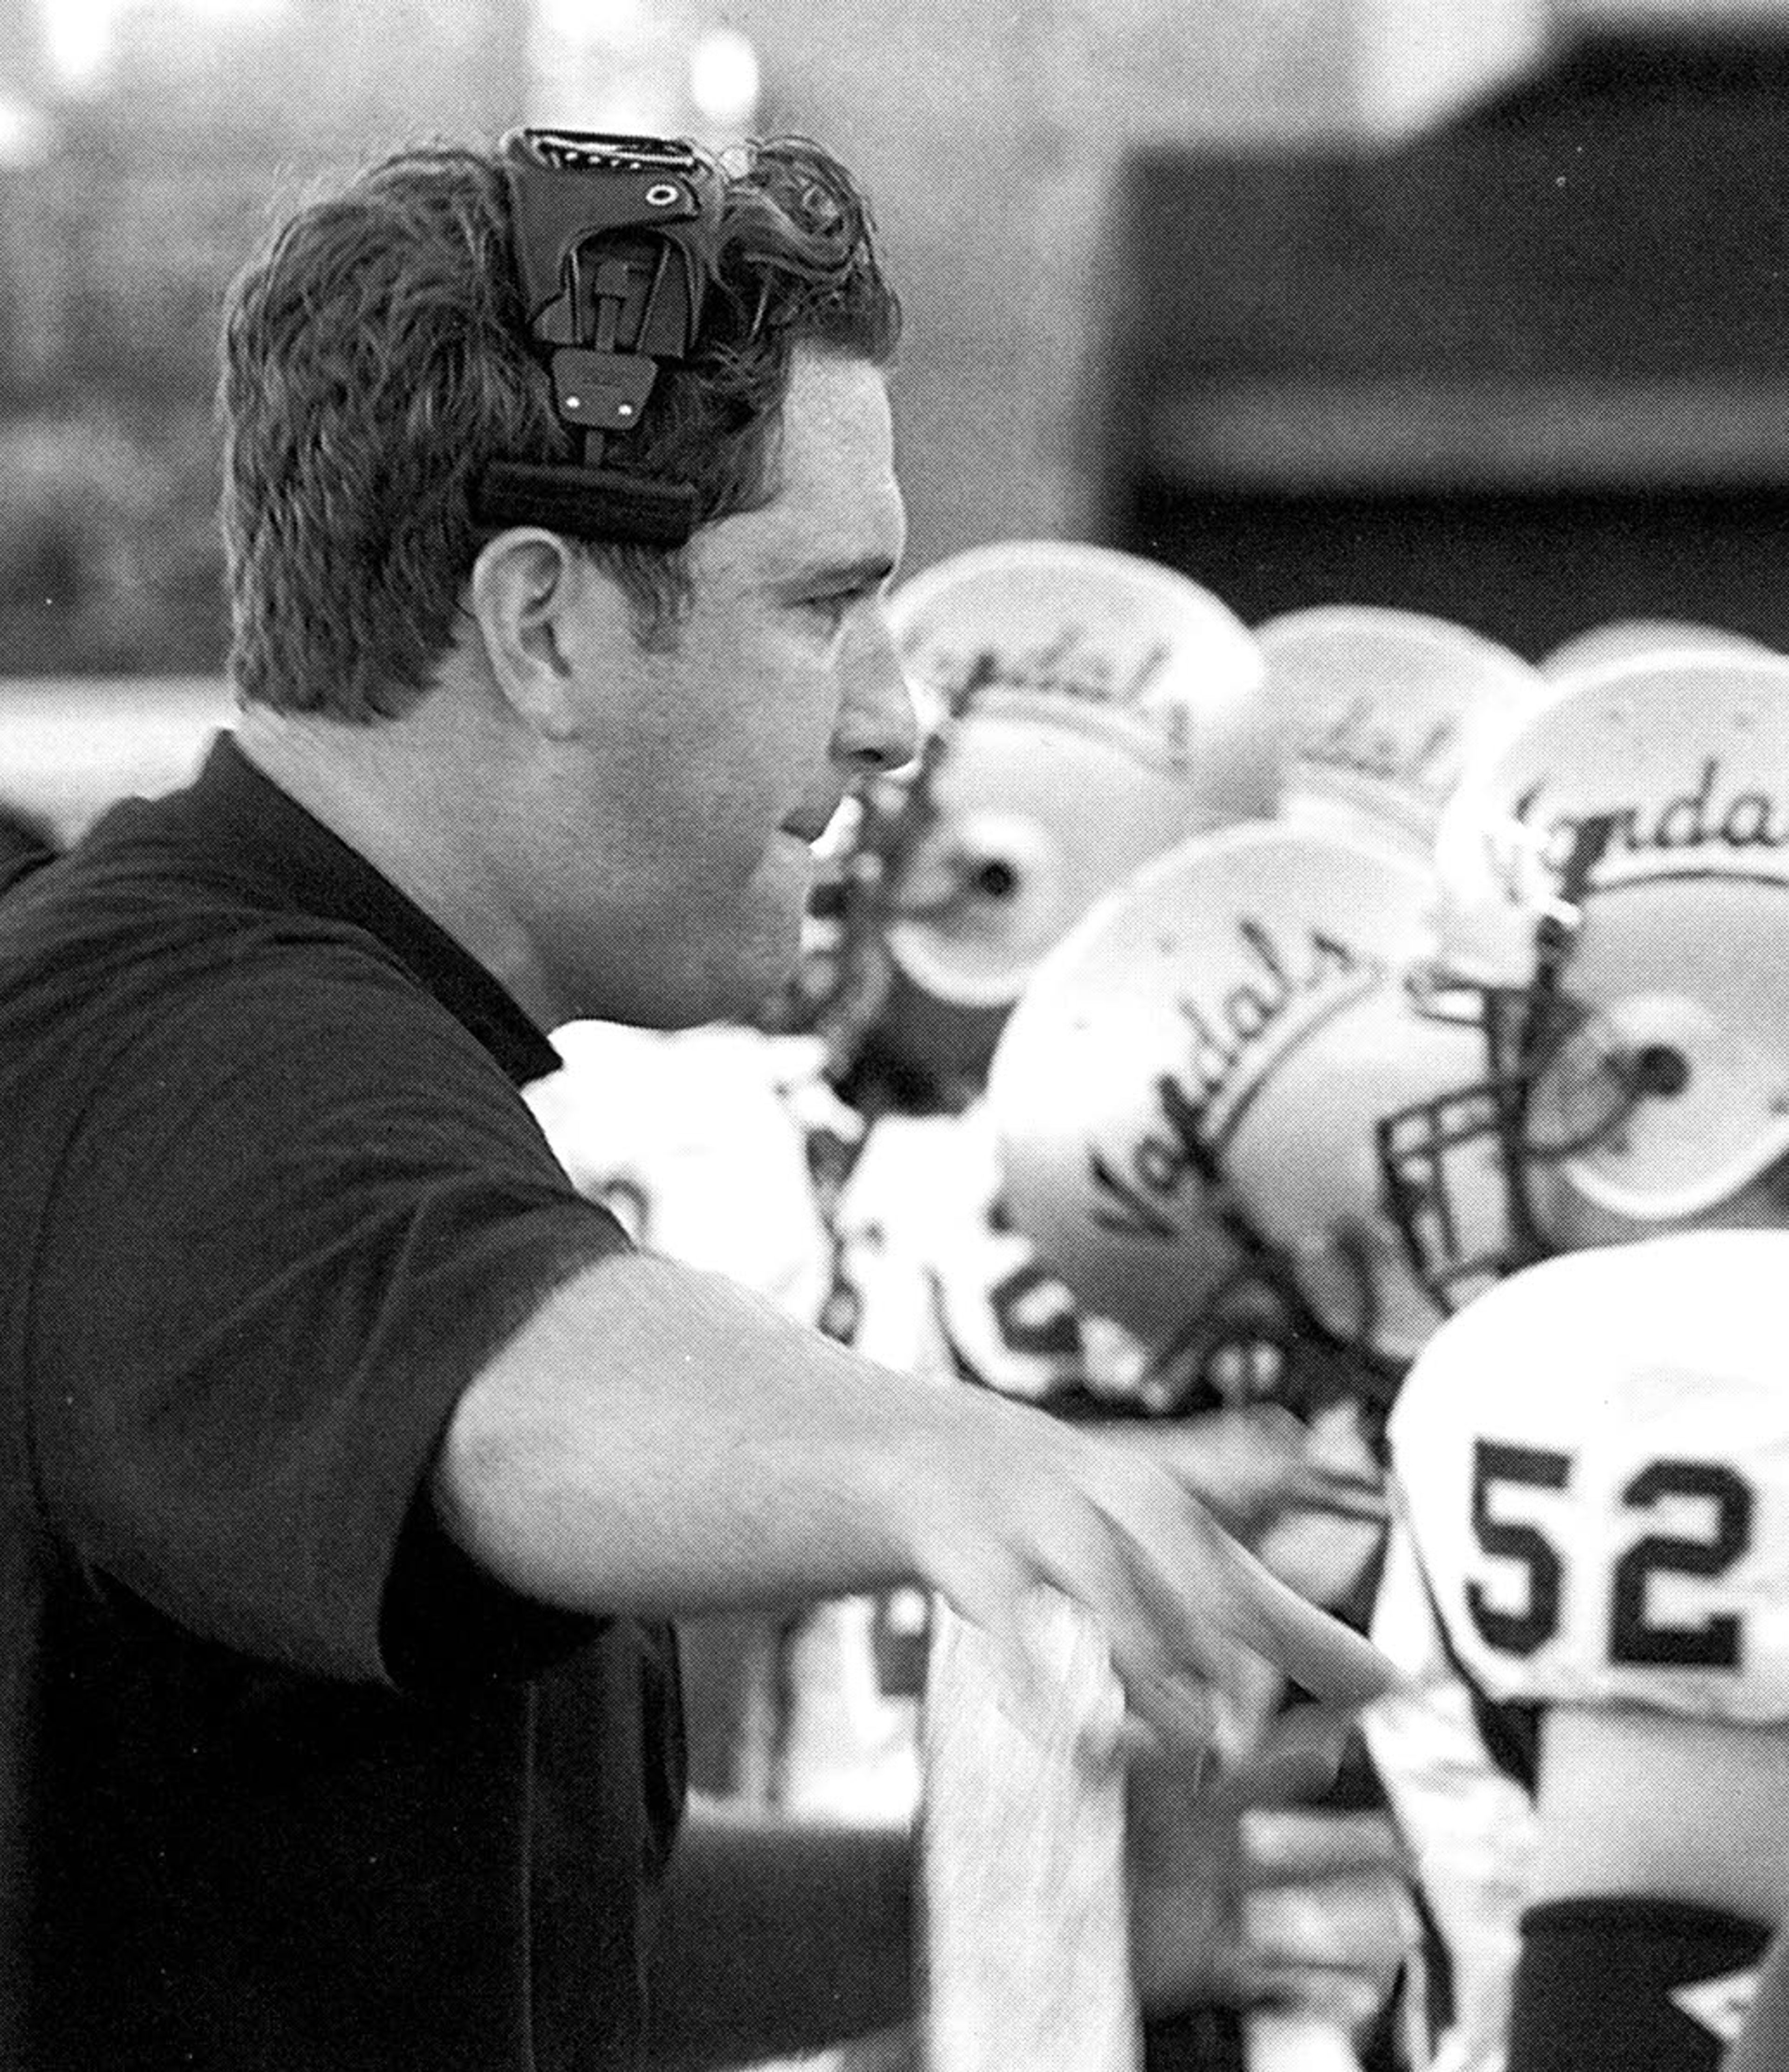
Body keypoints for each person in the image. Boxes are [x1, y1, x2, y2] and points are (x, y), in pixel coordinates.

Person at [0, 129, 1395, 2072]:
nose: (901, 713)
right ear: (544, 620)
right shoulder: (185, 1052)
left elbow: (535, 1921)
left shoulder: (284, 1019)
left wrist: (1046, 1898)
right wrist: (943, 1457)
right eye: (826, 603)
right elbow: (487, 1362)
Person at [1372, 649, 1789, 2072]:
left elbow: (1646, 2012)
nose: (1483, 1092)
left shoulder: (1654, 1359)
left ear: (1675, 1071)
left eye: (1528, 1041)